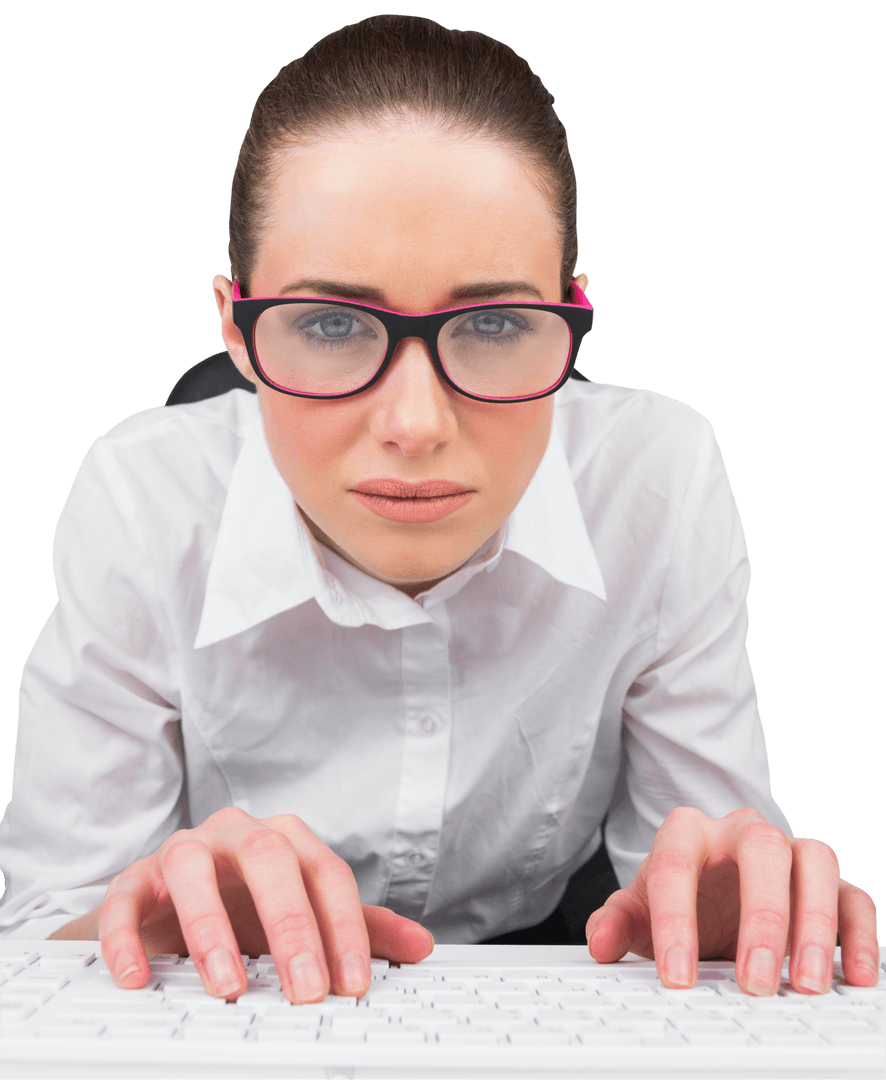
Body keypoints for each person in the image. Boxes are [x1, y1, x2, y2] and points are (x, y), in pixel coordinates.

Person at [0, 15, 877, 1009]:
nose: (414, 425)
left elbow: (703, 879)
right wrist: (133, 915)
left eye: (496, 323)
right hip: (231, 995)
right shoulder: (141, 499)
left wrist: (741, 906)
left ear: (569, 308)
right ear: (235, 333)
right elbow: (41, 930)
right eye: (329, 324)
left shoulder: (660, 482)